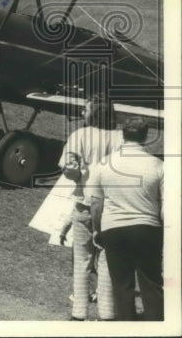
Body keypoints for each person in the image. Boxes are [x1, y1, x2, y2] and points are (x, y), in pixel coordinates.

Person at [85, 117, 163, 321]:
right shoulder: (158, 165)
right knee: (152, 285)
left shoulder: (104, 164)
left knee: (122, 286)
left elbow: (95, 203)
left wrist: (96, 229)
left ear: (122, 134)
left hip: (114, 229)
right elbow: (166, 205)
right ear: (146, 137)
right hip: (148, 228)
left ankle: (127, 326)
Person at [58, 92, 122, 321]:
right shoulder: (121, 138)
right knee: (107, 262)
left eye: (85, 109)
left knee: (82, 260)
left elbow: (68, 169)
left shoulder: (80, 135)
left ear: (94, 112)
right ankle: (106, 315)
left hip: (84, 205)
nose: (82, 112)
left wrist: (76, 171)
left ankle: (78, 314)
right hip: (113, 208)